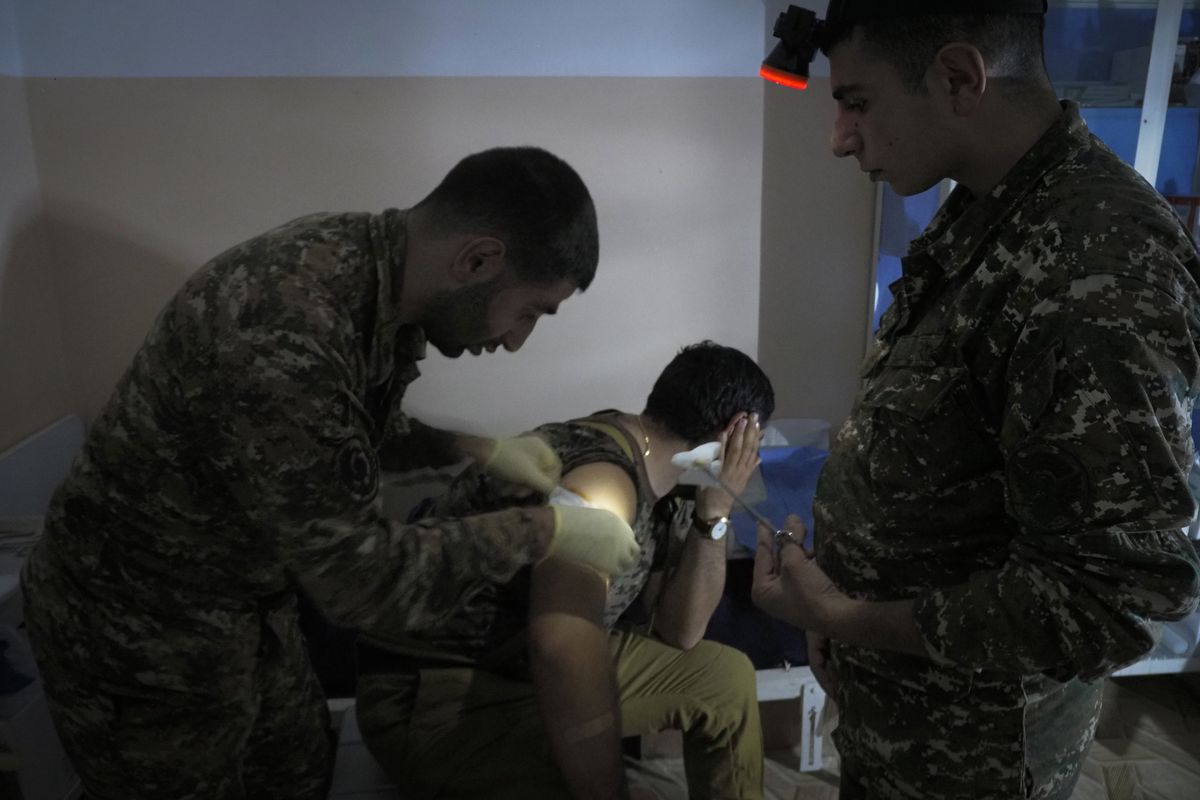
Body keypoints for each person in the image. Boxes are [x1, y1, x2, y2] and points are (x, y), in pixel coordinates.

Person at [20, 146, 642, 800]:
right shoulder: (288, 319)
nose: (517, 340)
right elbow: (358, 581)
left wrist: (465, 448)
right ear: (478, 261)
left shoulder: (378, 279)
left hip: (244, 602)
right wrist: (544, 532)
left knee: (297, 772)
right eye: (531, 311)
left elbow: (336, 433)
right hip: (137, 624)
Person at [750, 3, 1200, 799]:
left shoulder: (1095, 270)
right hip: (900, 707)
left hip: (974, 758)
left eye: (857, 102)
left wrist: (850, 619)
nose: (839, 138)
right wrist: (848, 613)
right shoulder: (992, 208)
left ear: (959, 77)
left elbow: (1110, 597)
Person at [354, 341, 775, 800]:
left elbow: (683, 632)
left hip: (518, 671)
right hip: (443, 696)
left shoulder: (662, 479)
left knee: (724, 677)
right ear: (736, 431)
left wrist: (716, 511)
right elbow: (557, 643)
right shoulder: (606, 480)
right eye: (753, 444)